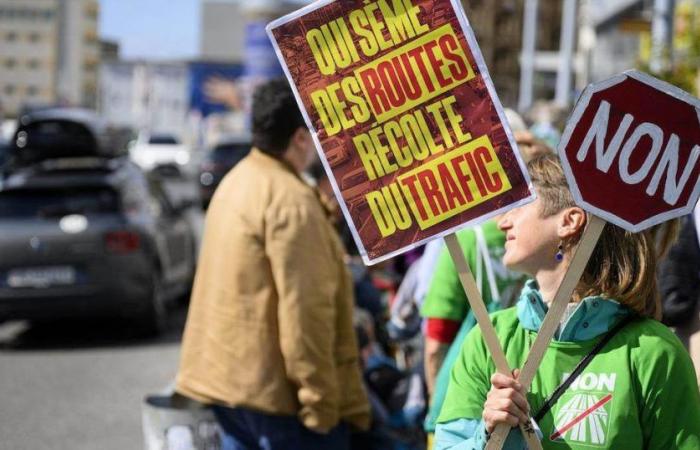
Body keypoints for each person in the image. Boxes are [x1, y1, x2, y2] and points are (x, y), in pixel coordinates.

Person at [435, 153, 700, 449]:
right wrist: (486, 435)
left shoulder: (653, 350)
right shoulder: (489, 339)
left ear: (569, 221)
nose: (502, 222)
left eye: (518, 205)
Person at [175, 79, 371, 450]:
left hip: (229, 386)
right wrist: (321, 405)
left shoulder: (236, 180)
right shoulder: (291, 202)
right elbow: (306, 316)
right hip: (279, 402)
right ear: (299, 138)